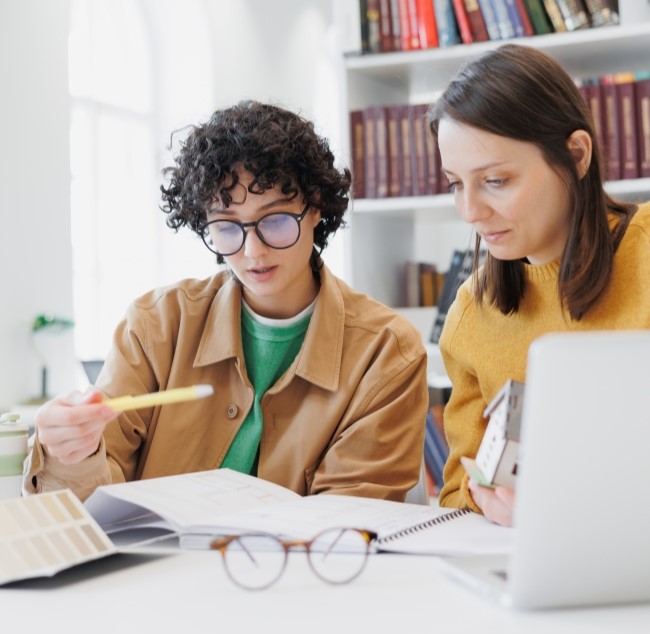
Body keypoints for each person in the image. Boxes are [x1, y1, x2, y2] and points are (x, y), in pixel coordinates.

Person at [24, 100, 428, 502]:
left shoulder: (386, 352)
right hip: (159, 567)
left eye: (275, 220)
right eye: (227, 227)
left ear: (315, 208)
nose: (252, 251)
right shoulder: (156, 325)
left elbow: (345, 528)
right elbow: (88, 506)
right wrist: (71, 452)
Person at [429, 44, 650, 526]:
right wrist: (488, 500)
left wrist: (569, 509)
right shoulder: (472, 313)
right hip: (533, 568)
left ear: (575, 155)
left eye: (496, 181)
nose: (470, 211)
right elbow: (454, 497)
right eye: (455, 183)